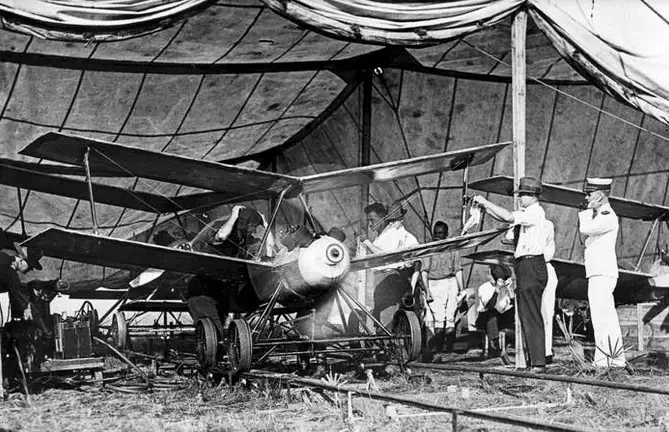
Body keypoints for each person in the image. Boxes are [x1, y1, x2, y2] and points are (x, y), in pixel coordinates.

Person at [473, 176, 549, 372]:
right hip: (525, 265)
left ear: (533, 196)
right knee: (525, 314)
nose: (520, 198)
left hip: (531, 264)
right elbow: (504, 217)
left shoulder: (535, 212)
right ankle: (535, 360)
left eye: (523, 194)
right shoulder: (528, 213)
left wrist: (486, 202)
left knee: (531, 314)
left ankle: (538, 362)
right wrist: (485, 208)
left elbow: (507, 217)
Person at [578, 177, 626, 368]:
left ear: (600, 195)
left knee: (602, 317)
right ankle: (612, 358)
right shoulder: (600, 215)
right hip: (598, 271)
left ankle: (607, 359)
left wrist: (585, 212)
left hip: (602, 272)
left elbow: (585, 229)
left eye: (590, 194)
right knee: (603, 316)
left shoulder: (607, 215)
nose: (587, 197)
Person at [361, 203, 419, 325]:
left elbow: (387, 256)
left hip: (389, 277)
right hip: (381, 278)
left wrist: (367, 243)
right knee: (380, 317)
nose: (391, 223)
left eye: (373, 220)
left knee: (386, 318)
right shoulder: (383, 234)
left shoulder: (394, 233)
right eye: (390, 221)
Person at [420, 221, 464, 338]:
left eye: (441, 233)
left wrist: (462, 290)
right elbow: (424, 272)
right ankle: (439, 345)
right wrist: (427, 291)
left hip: (451, 283)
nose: (438, 236)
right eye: (436, 233)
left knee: (450, 320)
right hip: (434, 284)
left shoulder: (453, 248)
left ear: (446, 234)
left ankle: (449, 344)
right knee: (439, 321)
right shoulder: (428, 249)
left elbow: (458, 270)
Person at [476, 264, 515, 359]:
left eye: (490, 274)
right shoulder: (484, 287)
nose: (488, 276)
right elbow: (489, 306)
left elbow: (514, 307)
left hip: (502, 318)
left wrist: (510, 290)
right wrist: (497, 290)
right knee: (492, 313)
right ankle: (494, 343)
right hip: (485, 319)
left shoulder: (506, 288)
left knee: (510, 311)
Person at [541, 219, 558, 364]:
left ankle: (546, 351)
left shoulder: (546, 224)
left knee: (546, 312)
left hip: (544, 267)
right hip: (533, 268)